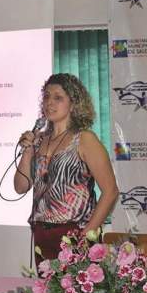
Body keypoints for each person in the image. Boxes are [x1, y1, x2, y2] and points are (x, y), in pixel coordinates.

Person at [14, 73, 119, 263]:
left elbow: (110, 191)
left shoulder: (85, 139)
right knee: (47, 292)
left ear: (73, 104)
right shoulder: (39, 140)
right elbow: (20, 187)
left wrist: (87, 233)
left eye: (58, 97)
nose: (49, 103)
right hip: (41, 234)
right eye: (46, 96)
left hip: (74, 233)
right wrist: (28, 151)